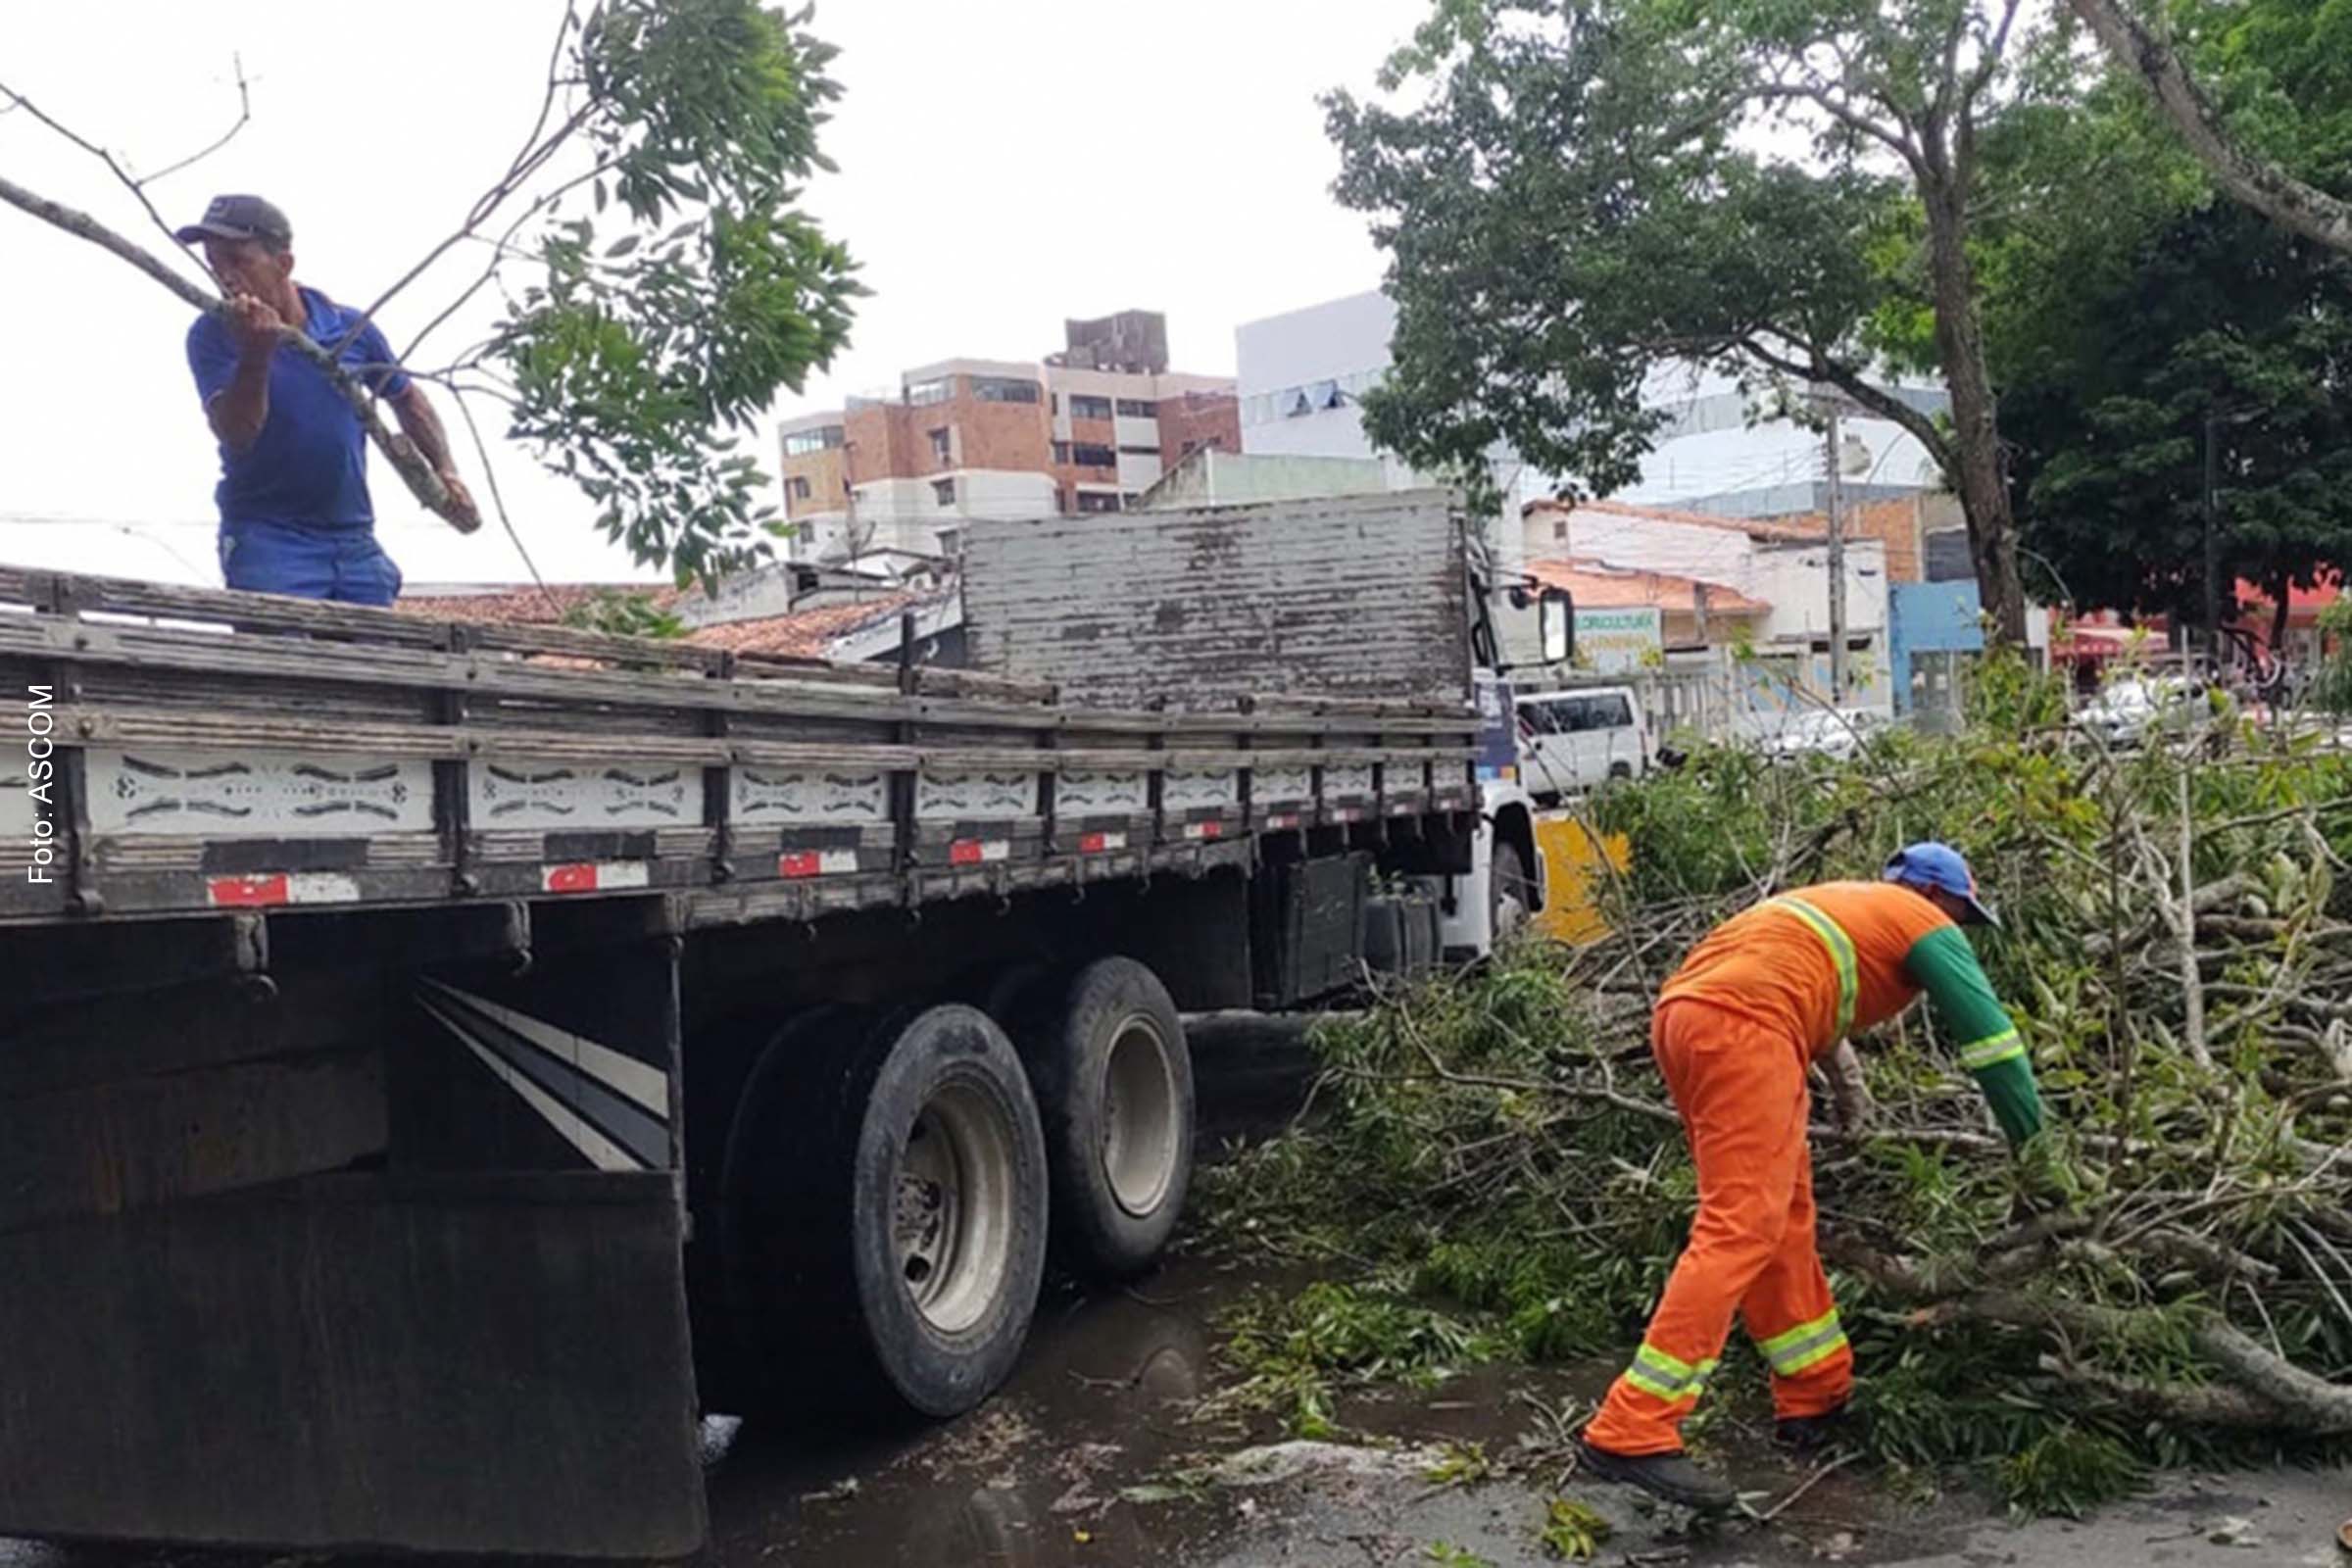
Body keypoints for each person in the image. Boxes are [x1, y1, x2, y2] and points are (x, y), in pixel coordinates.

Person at [1576, 843, 2046, 1510]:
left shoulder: (1839, 905)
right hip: (1747, 1027)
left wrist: (1851, 1094)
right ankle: (1632, 1426)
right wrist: (2038, 1156)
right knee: (1742, 1224)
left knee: (1783, 1217)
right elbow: (1994, 1045)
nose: (1962, 932)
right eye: (1965, 917)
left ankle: (1815, 1391)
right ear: (1941, 899)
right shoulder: (1924, 924)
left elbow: (1811, 991)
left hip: (1687, 1019)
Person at [177, 193, 479, 605]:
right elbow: (237, 433)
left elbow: (408, 399)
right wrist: (255, 355)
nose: (226, 277)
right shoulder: (213, 334)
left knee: (377, 663)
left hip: (354, 538)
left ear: (283, 264)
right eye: (215, 263)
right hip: (268, 537)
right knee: (283, 666)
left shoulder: (349, 328)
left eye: (238, 260)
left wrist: (446, 470)